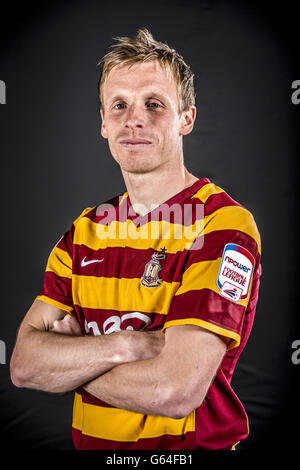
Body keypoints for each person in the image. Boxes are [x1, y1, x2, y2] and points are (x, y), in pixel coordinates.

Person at [10, 28, 261, 451]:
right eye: (119, 105)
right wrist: (128, 344)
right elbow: (24, 365)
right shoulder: (83, 233)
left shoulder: (221, 224)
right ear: (103, 124)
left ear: (187, 118)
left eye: (154, 104)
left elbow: (174, 391)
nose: (134, 119)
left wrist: (72, 360)